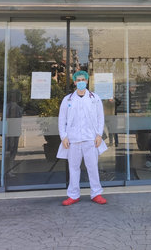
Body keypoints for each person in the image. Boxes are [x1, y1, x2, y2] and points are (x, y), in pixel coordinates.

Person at [57, 70, 107, 205]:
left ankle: (96, 193)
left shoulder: (94, 98)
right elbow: (62, 120)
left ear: (87, 81)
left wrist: (99, 135)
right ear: (74, 82)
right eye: (78, 80)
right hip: (73, 140)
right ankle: (73, 195)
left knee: (93, 167)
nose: (80, 82)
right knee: (73, 168)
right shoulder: (67, 99)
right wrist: (64, 137)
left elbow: (100, 118)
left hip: (90, 139)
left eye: (82, 80)